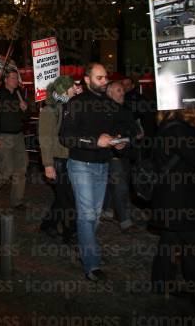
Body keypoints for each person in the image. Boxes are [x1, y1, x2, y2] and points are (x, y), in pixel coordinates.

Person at [59, 63, 127, 281]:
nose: (105, 81)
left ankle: (85, 246)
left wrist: (117, 141)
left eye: (105, 77)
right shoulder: (75, 103)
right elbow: (65, 136)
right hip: (81, 165)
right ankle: (92, 264)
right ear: (87, 80)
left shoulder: (109, 104)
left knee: (94, 217)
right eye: (99, 78)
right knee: (88, 215)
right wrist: (94, 141)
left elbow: (115, 131)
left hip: (103, 164)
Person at [150, 108, 195, 313]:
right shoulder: (176, 129)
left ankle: (161, 283)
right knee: (194, 251)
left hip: (174, 200)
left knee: (169, 240)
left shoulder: (175, 126)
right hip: (180, 204)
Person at [38, 76, 80, 243]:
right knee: (68, 200)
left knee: (62, 198)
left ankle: (48, 224)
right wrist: (48, 165)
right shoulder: (50, 110)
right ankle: (70, 234)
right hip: (57, 160)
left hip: (68, 158)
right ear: (64, 90)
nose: (75, 89)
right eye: (72, 87)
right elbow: (45, 139)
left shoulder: (68, 105)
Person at [0, 69, 29, 209]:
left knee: (21, 169)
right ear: (5, 80)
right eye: (13, 78)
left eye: (17, 78)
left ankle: (17, 201)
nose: (16, 80)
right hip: (4, 136)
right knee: (6, 170)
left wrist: (25, 109)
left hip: (18, 136)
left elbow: (26, 118)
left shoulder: (19, 94)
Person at [101, 80, 141, 233]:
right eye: (119, 90)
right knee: (120, 187)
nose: (122, 93)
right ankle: (125, 221)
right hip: (112, 155)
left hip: (126, 153)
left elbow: (132, 127)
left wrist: (136, 133)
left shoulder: (124, 109)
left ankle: (107, 210)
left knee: (114, 184)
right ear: (110, 92)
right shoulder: (103, 110)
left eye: (123, 90)